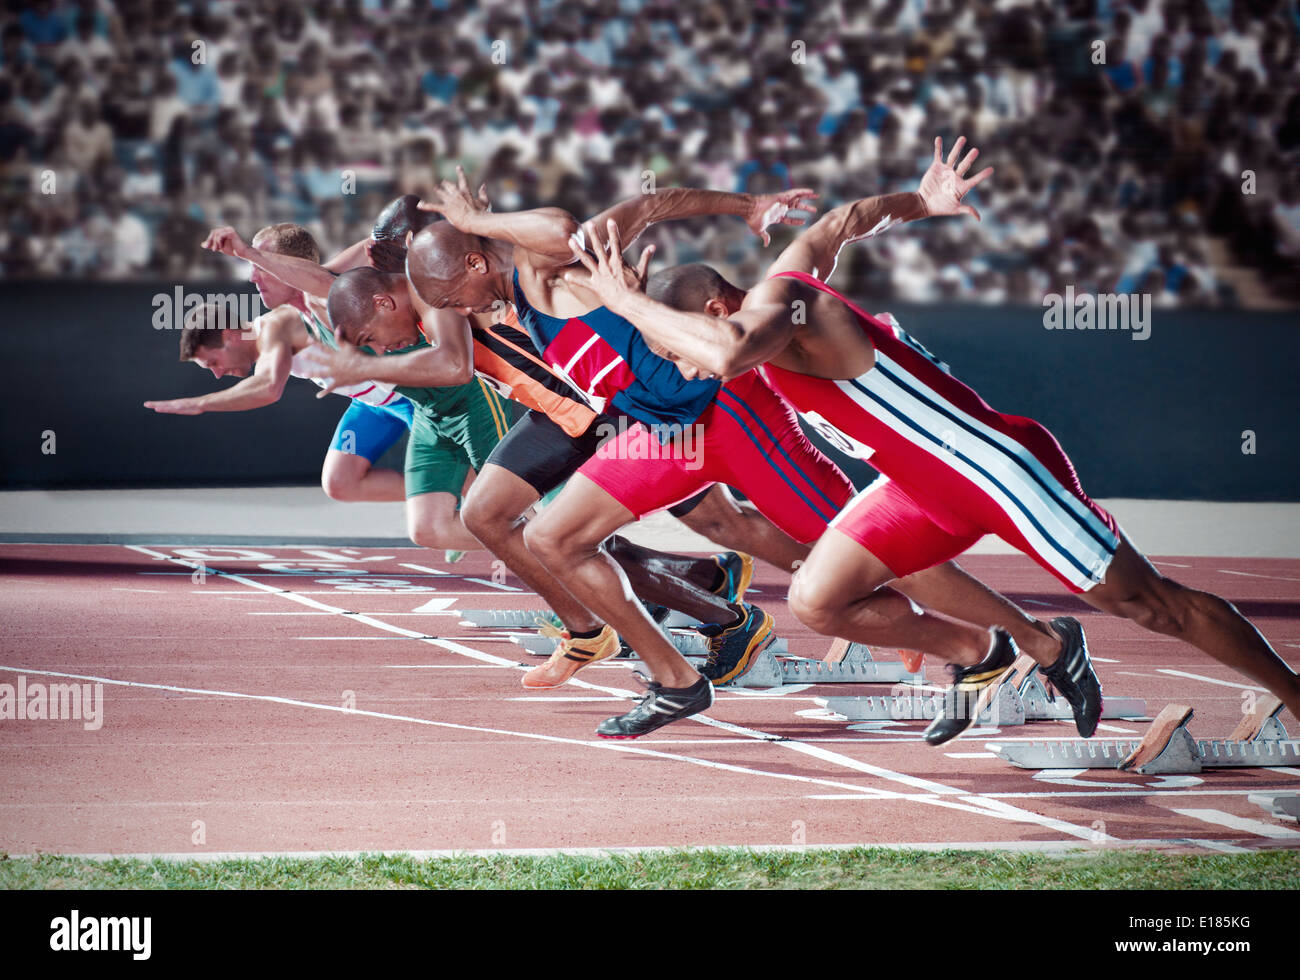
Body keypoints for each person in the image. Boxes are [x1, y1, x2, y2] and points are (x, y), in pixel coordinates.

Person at [571, 136, 1300, 739]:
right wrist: (921, 202)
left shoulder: (780, 307)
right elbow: (838, 223)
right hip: (918, 487)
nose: (678, 362)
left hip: (995, 468)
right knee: (820, 599)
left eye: (674, 345)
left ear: (715, 303)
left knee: (1151, 605)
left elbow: (726, 350)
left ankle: (1294, 694)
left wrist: (624, 299)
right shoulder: (786, 277)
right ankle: (1029, 648)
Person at [415, 158, 1099, 741]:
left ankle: (1043, 643)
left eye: (454, 295)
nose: (461, 310)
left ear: (477, 262)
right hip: (666, 431)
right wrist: (747, 206)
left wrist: (477, 221)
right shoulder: (517, 300)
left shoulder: (547, 271)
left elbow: (596, 219)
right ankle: (677, 681)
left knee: (868, 559)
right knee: (556, 539)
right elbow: (656, 203)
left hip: (735, 414)